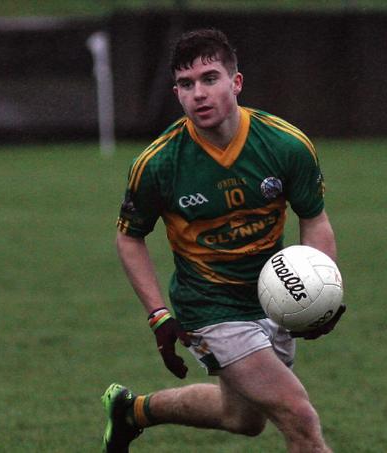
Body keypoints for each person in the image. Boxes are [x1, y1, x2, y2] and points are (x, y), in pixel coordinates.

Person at [102, 28, 345, 453]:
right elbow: (129, 238)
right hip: (209, 306)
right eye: (185, 84)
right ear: (176, 92)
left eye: (210, 79)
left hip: (274, 296)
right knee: (299, 415)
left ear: (236, 82)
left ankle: (130, 411)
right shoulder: (158, 164)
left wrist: (319, 294)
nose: (198, 93)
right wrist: (159, 315)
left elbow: (314, 219)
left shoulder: (285, 144)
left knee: (243, 419)